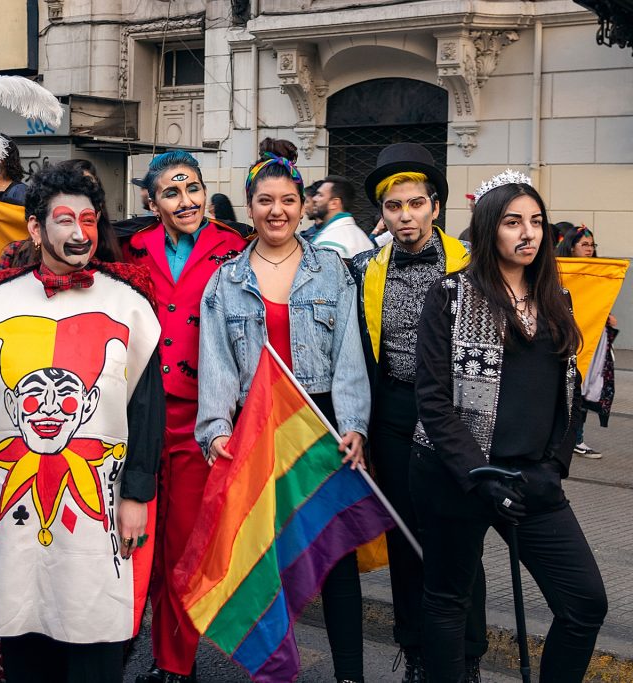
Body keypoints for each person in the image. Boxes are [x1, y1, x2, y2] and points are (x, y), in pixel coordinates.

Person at [0, 165, 165, 683]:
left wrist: (137, 493)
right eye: (65, 220)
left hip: (102, 507)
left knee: (95, 637)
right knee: (25, 637)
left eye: (89, 221)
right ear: (34, 229)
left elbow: (146, 409)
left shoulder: (130, 304)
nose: (79, 233)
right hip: (8, 503)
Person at [412, 174, 608, 681]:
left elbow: (571, 390)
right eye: (513, 221)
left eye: (537, 222)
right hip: (459, 477)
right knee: (448, 601)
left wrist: (556, 465)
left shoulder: (556, 297)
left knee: (585, 603)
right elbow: (434, 402)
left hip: (532, 482)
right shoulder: (450, 296)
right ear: (487, 229)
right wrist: (481, 475)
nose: (529, 233)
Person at [197, 152, 370, 683]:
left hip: (318, 427)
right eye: (265, 201)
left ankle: (349, 676)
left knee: (334, 557)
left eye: (288, 201)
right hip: (255, 427)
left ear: (303, 207)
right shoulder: (225, 281)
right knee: (264, 561)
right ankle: (274, 671)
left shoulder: (333, 270)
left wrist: (355, 426)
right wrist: (216, 429)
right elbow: (217, 363)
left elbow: (348, 356)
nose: (277, 211)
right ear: (249, 208)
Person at [349, 142, 487, 682]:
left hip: (457, 415)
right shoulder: (363, 268)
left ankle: (467, 656)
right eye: (393, 206)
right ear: (381, 213)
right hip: (395, 413)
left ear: (434, 206)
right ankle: (418, 653)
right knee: (406, 540)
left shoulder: (472, 264)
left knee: (458, 539)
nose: (405, 216)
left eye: (415, 204)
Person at [122, 150, 247, 683]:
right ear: (152, 202)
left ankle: (176, 663)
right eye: (171, 192)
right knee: (135, 540)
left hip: (206, 419)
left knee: (183, 546)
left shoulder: (234, 248)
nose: (187, 201)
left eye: (193, 188)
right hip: (138, 415)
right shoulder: (130, 249)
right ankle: (134, 646)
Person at [557, 224, 618, 459]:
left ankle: (576, 438)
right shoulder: (560, 270)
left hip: (593, 339)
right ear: (571, 247)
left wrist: (606, 317)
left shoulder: (598, 273)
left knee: (583, 390)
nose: (589, 249)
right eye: (584, 244)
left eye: (592, 245)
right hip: (568, 338)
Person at [309, 175, 373, 258]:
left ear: (334, 203)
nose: (314, 199)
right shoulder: (361, 236)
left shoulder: (329, 244)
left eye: (320, 195)